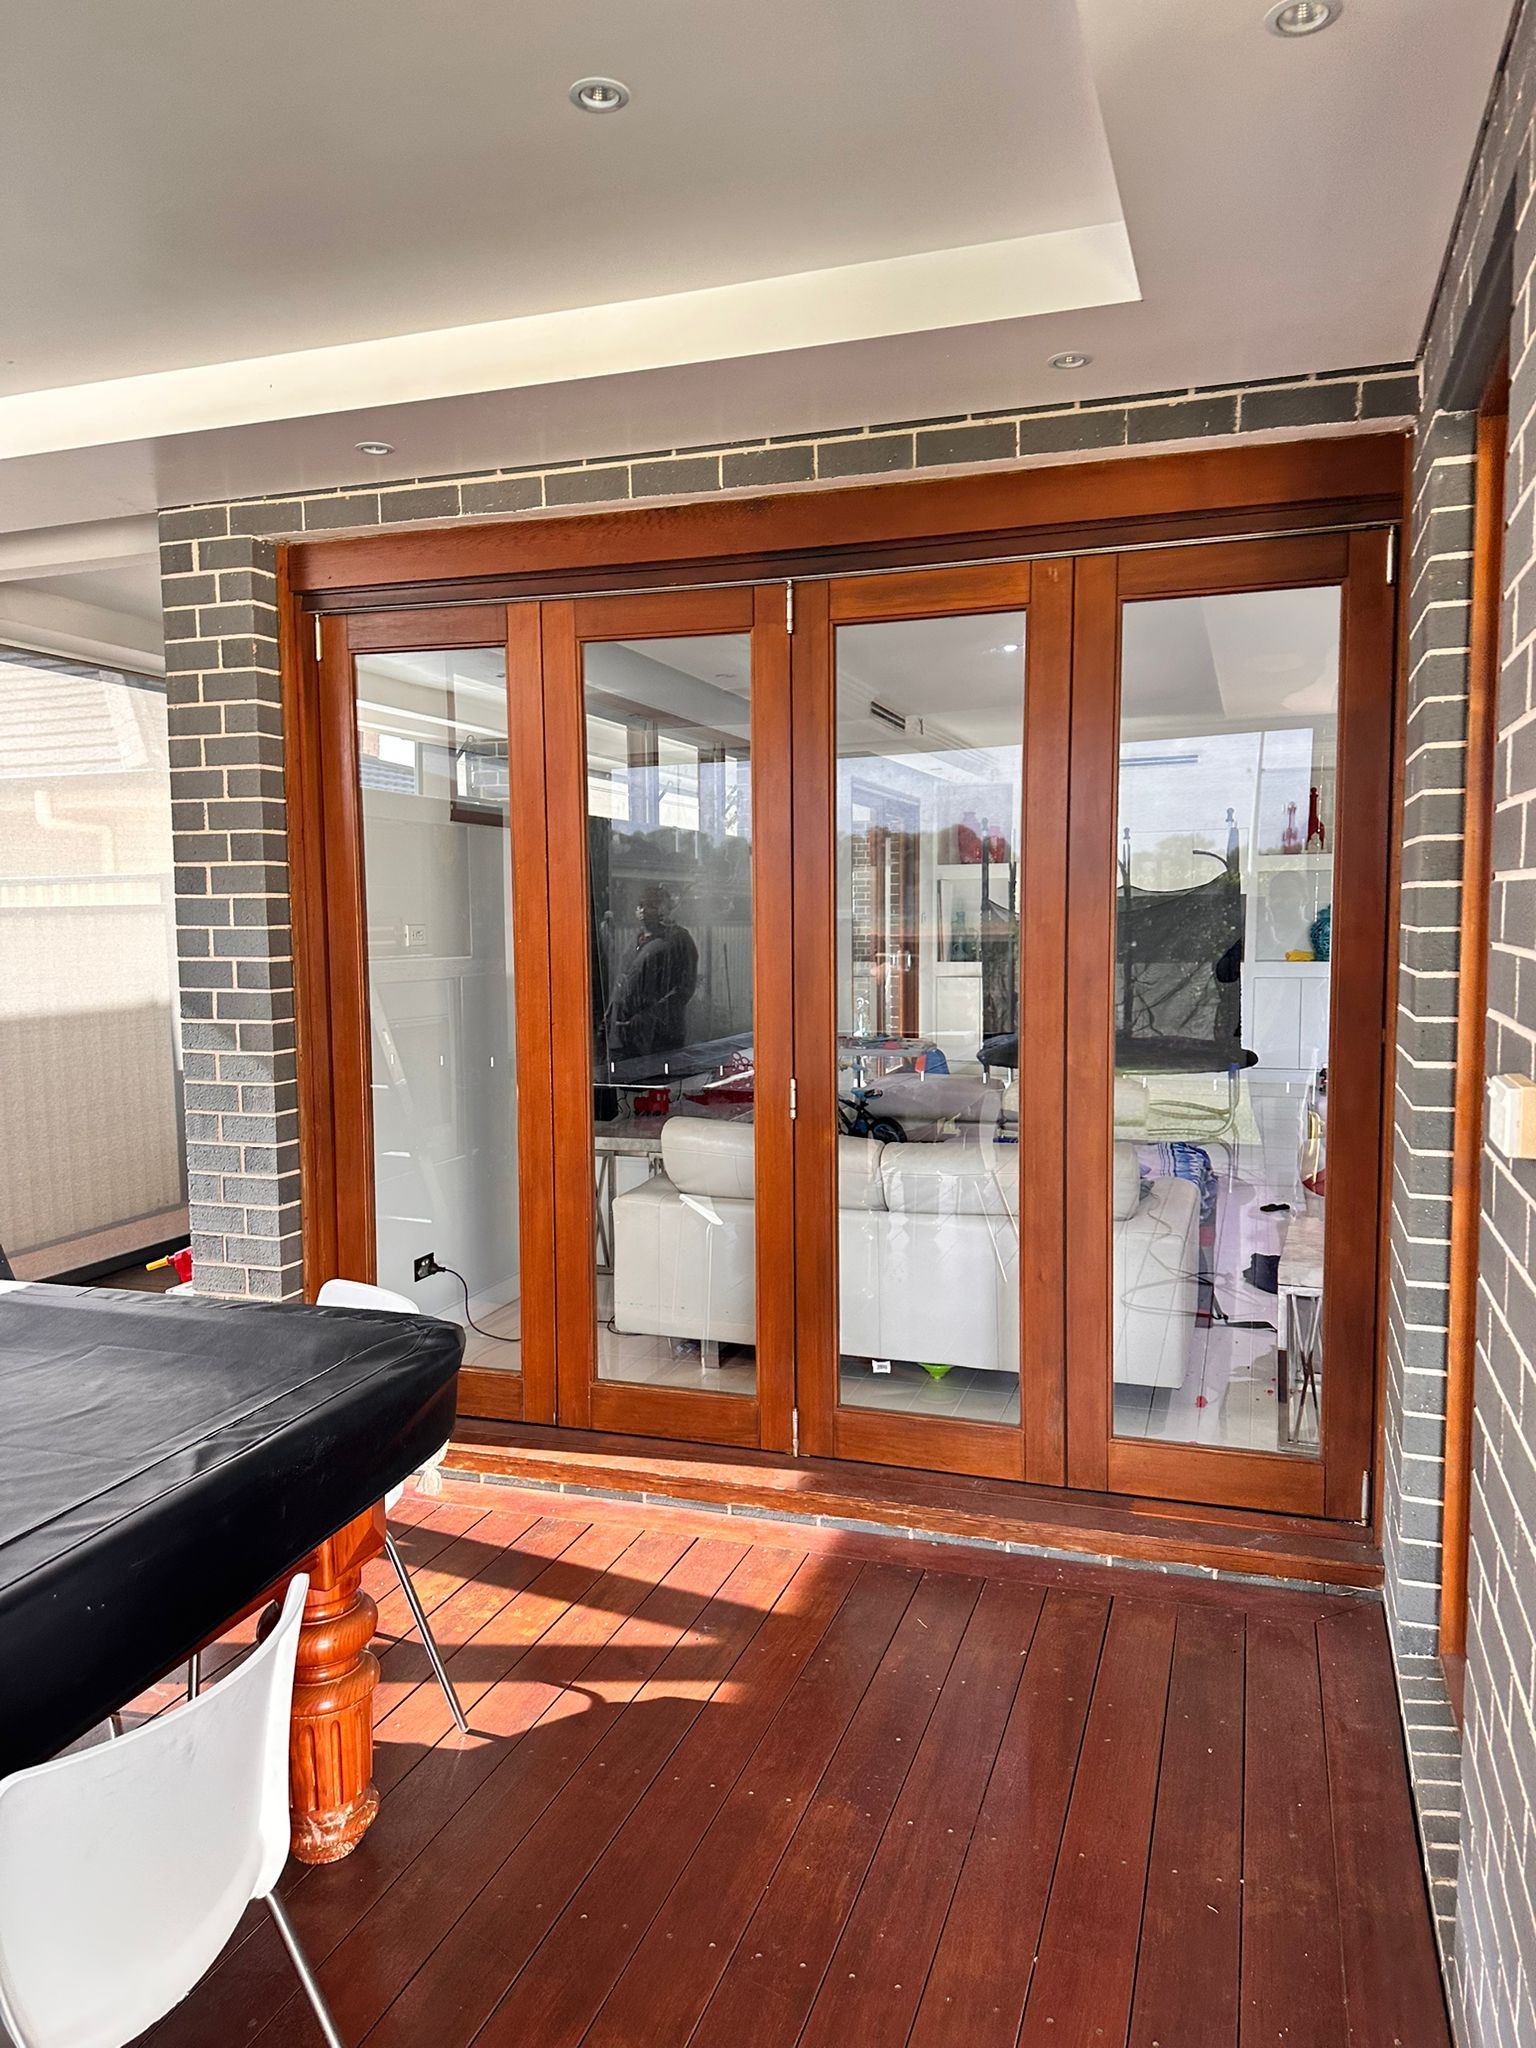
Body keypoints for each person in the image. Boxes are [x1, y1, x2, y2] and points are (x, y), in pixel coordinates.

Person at [606, 883, 698, 1059]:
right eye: (640, 905)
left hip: (659, 1035)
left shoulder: (677, 939)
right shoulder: (634, 941)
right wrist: (609, 1018)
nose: (643, 910)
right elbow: (621, 982)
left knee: (658, 1082)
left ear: (663, 909)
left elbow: (684, 988)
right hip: (624, 1035)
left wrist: (648, 1018)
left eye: (650, 906)